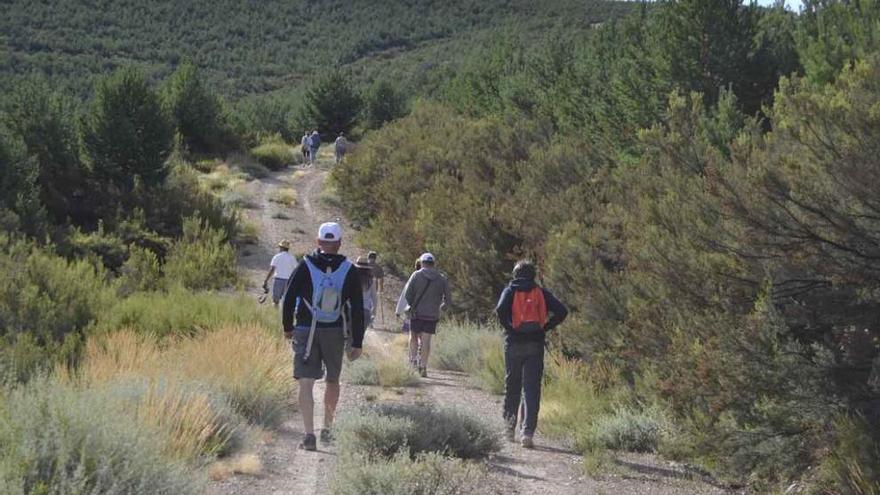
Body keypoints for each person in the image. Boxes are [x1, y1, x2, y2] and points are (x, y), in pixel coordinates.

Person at [281, 222, 364, 451]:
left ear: (318, 242)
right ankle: (327, 429)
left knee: (306, 382)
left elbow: (288, 299)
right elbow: (357, 307)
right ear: (339, 243)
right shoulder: (349, 269)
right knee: (332, 380)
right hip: (334, 331)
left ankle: (309, 435)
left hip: (306, 329)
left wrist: (288, 327)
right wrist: (357, 341)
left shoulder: (305, 265)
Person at [494, 260, 568, 449]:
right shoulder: (540, 292)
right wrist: (545, 327)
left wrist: (510, 328)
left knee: (512, 386)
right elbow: (562, 311)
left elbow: (500, 310)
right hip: (535, 344)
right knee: (531, 389)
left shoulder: (510, 290)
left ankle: (509, 429)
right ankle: (527, 432)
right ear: (533, 275)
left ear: (515, 274)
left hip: (514, 343)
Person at [402, 253, 451, 377]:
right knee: (426, 341)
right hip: (432, 315)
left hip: (416, 313)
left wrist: (412, 305)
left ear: (422, 263)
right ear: (433, 264)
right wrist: (441, 308)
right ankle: (423, 367)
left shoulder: (416, 275)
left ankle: (412, 363)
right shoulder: (441, 278)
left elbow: (407, 294)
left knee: (413, 338)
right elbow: (448, 299)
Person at [396, 258, 421, 361]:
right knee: (423, 335)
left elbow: (405, 295)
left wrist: (398, 310)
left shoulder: (413, 277)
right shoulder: (431, 278)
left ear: (415, 267)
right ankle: (420, 354)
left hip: (412, 311)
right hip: (427, 311)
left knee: (412, 334)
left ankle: (412, 358)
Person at [263, 239, 297, 306]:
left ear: (281, 248)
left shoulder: (277, 257)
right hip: (288, 281)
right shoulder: (292, 258)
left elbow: (272, 269)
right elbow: (295, 270)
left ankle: (274, 313)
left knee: (275, 301)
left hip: (278, 280)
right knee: (286, 301)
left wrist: (266, 280)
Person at [354, 256, 377, 328]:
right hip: (366, 311)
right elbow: (374, 298)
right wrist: (374, 312)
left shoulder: (352, 278)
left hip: (353, 310)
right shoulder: (371, 281)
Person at [367, 251, 384, 323]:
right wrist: (381, 290)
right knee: (373, 304)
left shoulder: (364, 264)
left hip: (364, 287)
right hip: (374, 287)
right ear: (375, 258)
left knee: (365, 303)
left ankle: (364, 318)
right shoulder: (378, 267)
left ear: (368, 257)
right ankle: (371, 320)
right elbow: (381, 279)